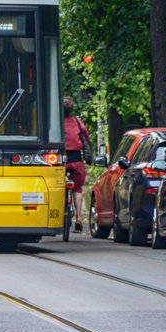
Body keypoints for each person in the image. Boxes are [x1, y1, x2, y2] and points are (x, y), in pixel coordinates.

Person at [63, 96, 92, 232]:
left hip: (61, 161)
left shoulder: (56, 123)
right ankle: (79, 217)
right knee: (78, 188)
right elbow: (86, 138)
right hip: (76, 161)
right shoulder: (78, 122)